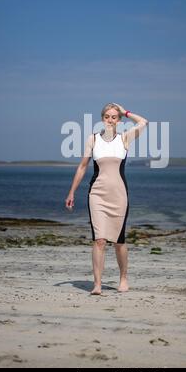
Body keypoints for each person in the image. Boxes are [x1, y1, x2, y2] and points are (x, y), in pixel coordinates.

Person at [65, 103, 148, 295]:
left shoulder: (124, 138)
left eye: (114, 117)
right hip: (97, 194)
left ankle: (123, 278)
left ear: (119, 120)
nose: (110, 120)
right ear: (102, 119)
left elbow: (144, 122)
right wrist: (71, 192)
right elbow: (82, 167)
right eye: (107, 117)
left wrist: (125, 111)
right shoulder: (93, 139)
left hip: (119, 195)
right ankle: (97, 284)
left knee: (119, 241)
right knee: (99, 240)